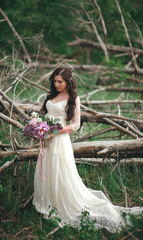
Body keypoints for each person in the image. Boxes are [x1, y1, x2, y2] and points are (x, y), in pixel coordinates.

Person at [32, 67, 143, 233]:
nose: (56, 84)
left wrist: (54, 132)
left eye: (60, 82)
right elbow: (45, 114)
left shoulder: (73, 98)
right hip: (47, 140)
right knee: (46, 169)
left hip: (60, 140)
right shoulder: (51, 95)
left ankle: (60, 204)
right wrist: (38, 127)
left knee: (59, 171)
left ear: (68, 82)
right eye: (54, 81)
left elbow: (75, 124)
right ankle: (46, 201)